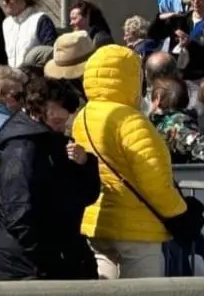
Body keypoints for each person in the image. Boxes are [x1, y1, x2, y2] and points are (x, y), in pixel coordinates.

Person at [71, 45, 195, 280]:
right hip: (137, 230)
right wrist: (180, 213)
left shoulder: (83, 117)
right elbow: (154, 180)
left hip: (97, 223)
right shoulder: (131, 121)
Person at [0, 76, 100, 280]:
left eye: (64, 121)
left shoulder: (52, 142)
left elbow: (86, 195)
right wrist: (52, 258)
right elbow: (19, 214)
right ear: (36, 112)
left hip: (50, 259)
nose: (61, 127)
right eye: (57, 121)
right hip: (30, 266)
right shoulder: (22, 149)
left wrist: (84, 165)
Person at [0, 0, 58, 69]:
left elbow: (50, 52)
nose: (4, 3)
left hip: (36, 78)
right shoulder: (6, 24)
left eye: (9, 0)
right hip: (14, 77)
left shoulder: (40, 20)